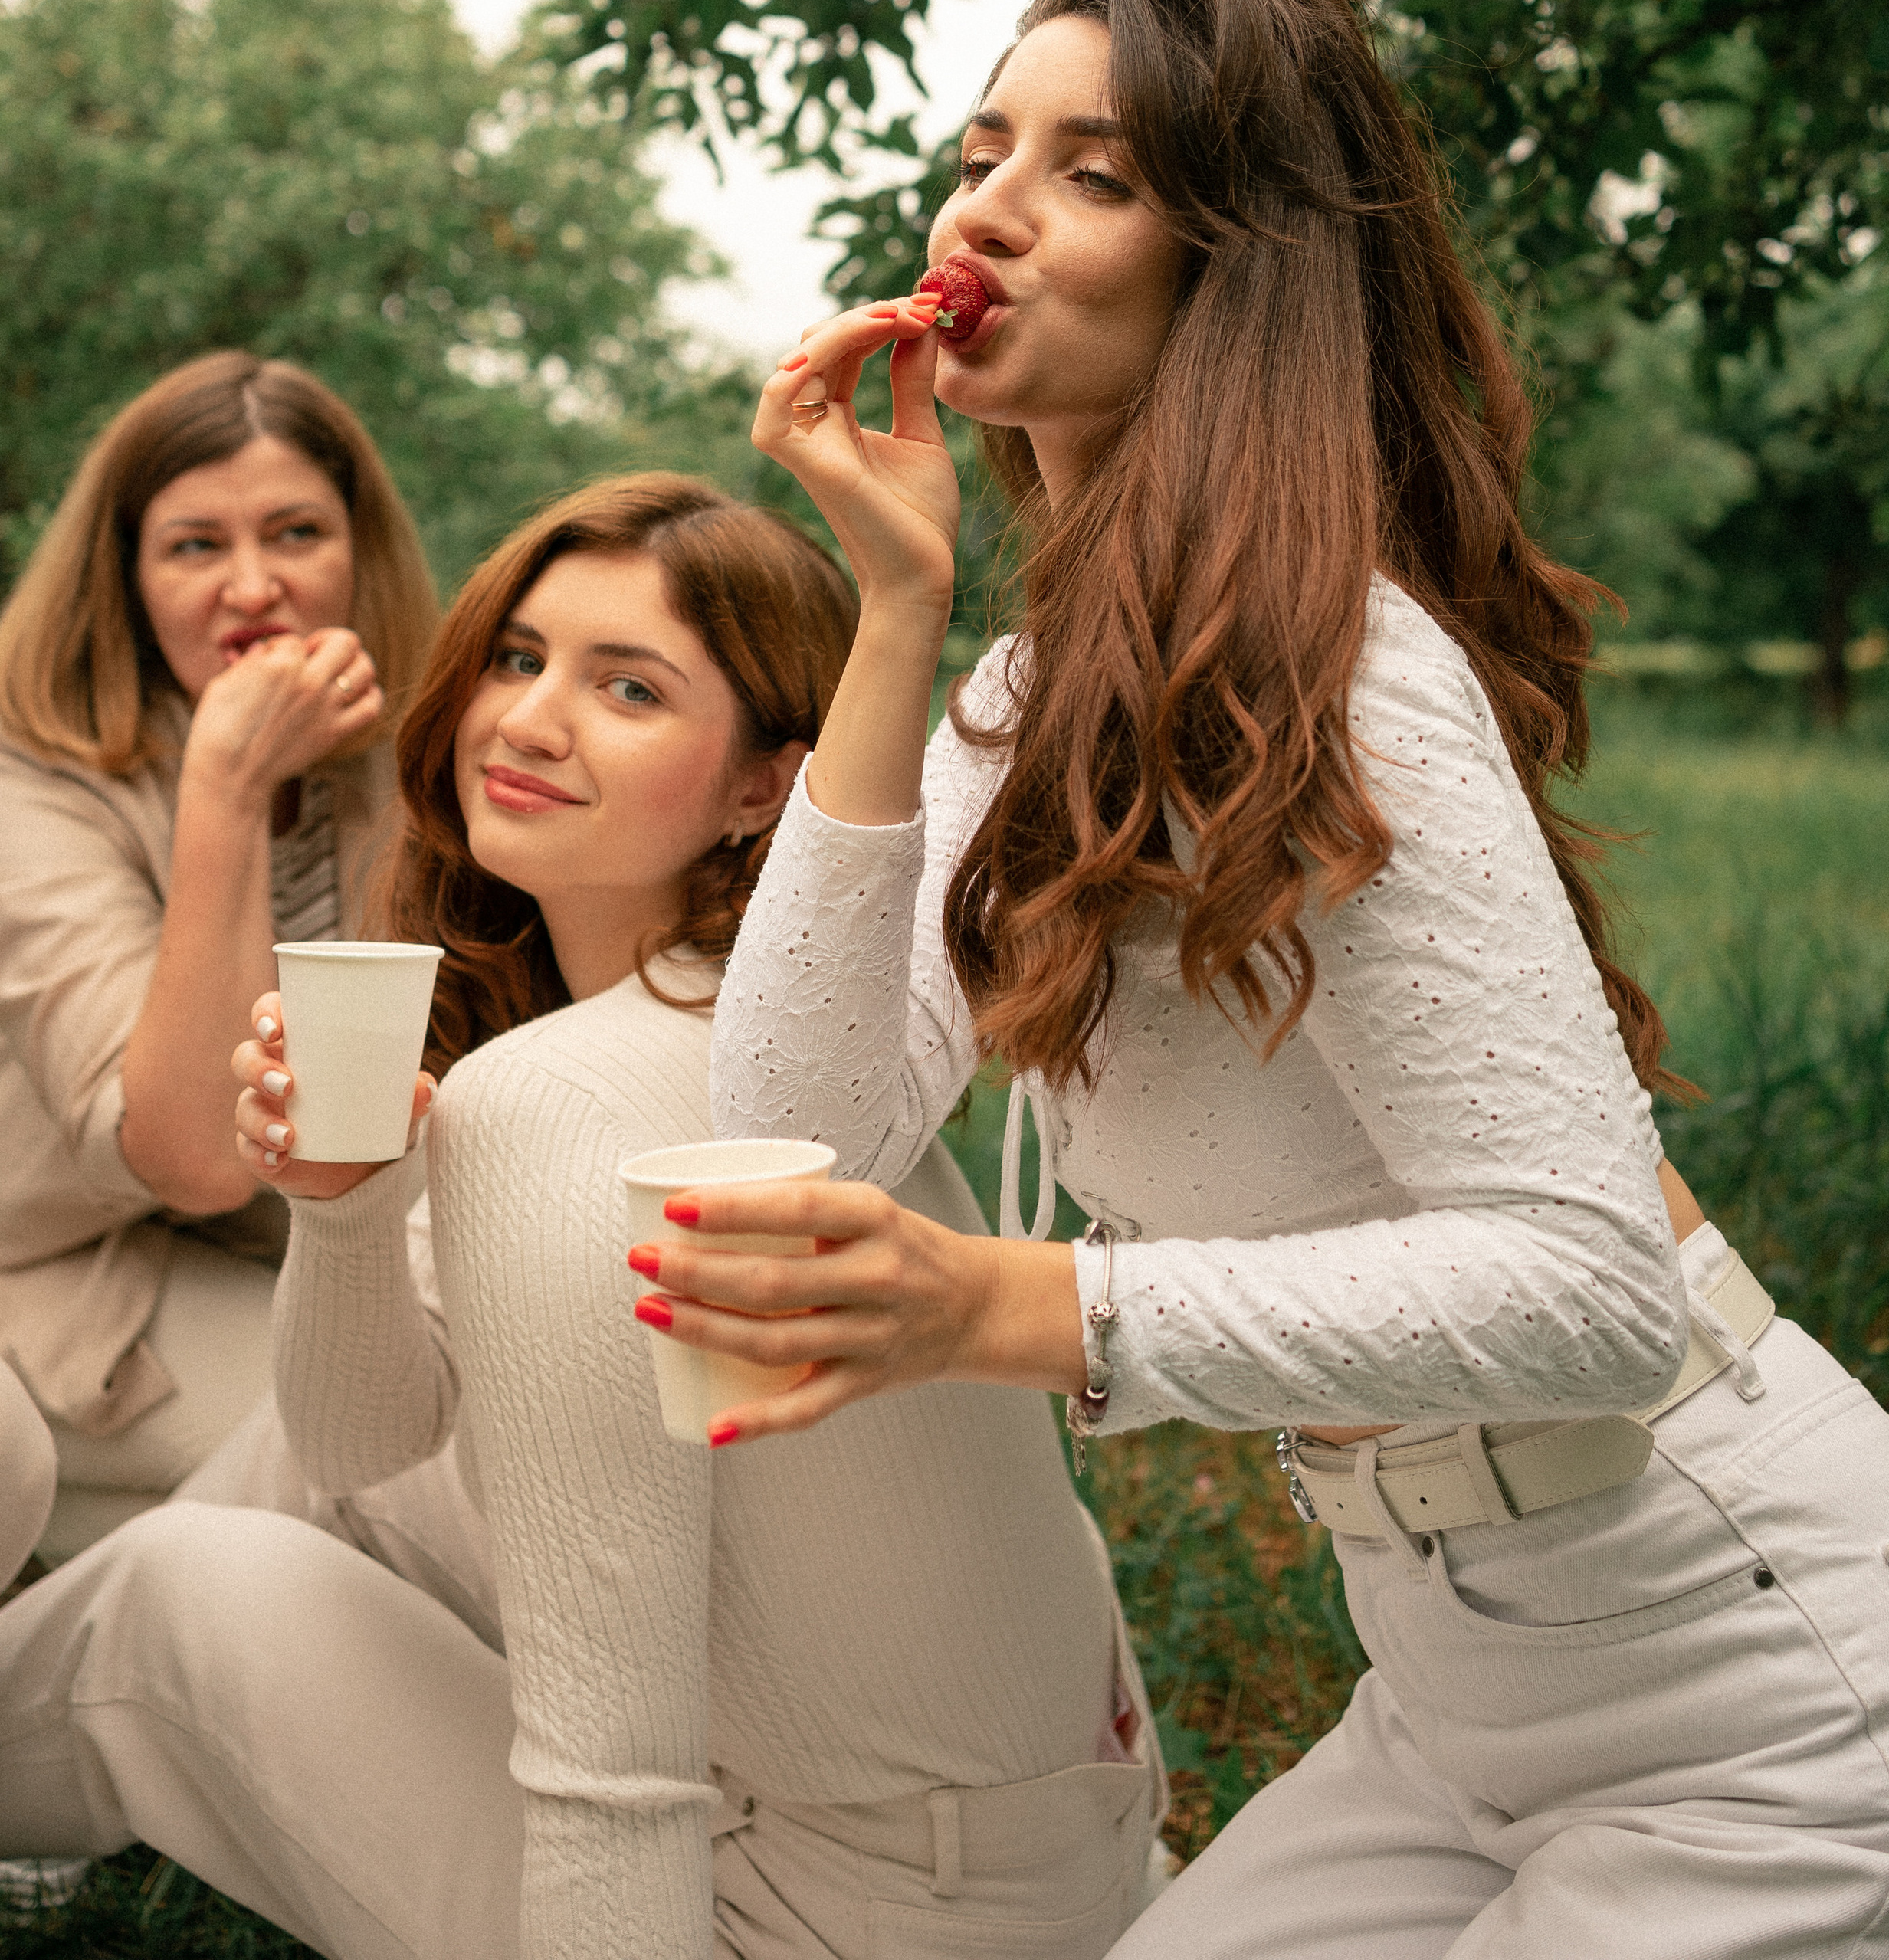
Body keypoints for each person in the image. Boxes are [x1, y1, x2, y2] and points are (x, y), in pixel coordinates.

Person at [638, 0, 1889, 1956]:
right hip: (1449, 1693)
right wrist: (891, 611)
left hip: (1762, 1688)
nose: (991, 201)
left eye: (1096, 172)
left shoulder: (1334, 663)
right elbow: (800, 1122)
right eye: (988, 145)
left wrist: (1022, 1308)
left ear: (1228, 261)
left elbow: (1595, 1287)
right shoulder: (1014, 703)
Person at [221, 474, 1163, 1960]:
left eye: (629, 689)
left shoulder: (554, 1099)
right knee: (256, 1476)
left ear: (760, 788)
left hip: (825, 1911)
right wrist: (343, 1210)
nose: (526, 719)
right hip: (1072, 1867)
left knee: (184, 1588)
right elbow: (351, 1446)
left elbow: (616, 1768)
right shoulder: (812, 1047)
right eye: (520, 658)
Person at [0, 350, 439, 1560]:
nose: (254, 588)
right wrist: (228, 789)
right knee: (396, 1486)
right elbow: (193, 1154)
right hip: (71, 1281)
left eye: (296, 532)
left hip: (309, 1253)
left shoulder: (406, 758)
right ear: (128, 579)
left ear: (358, 553)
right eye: (195, 546)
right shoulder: (29, 775)